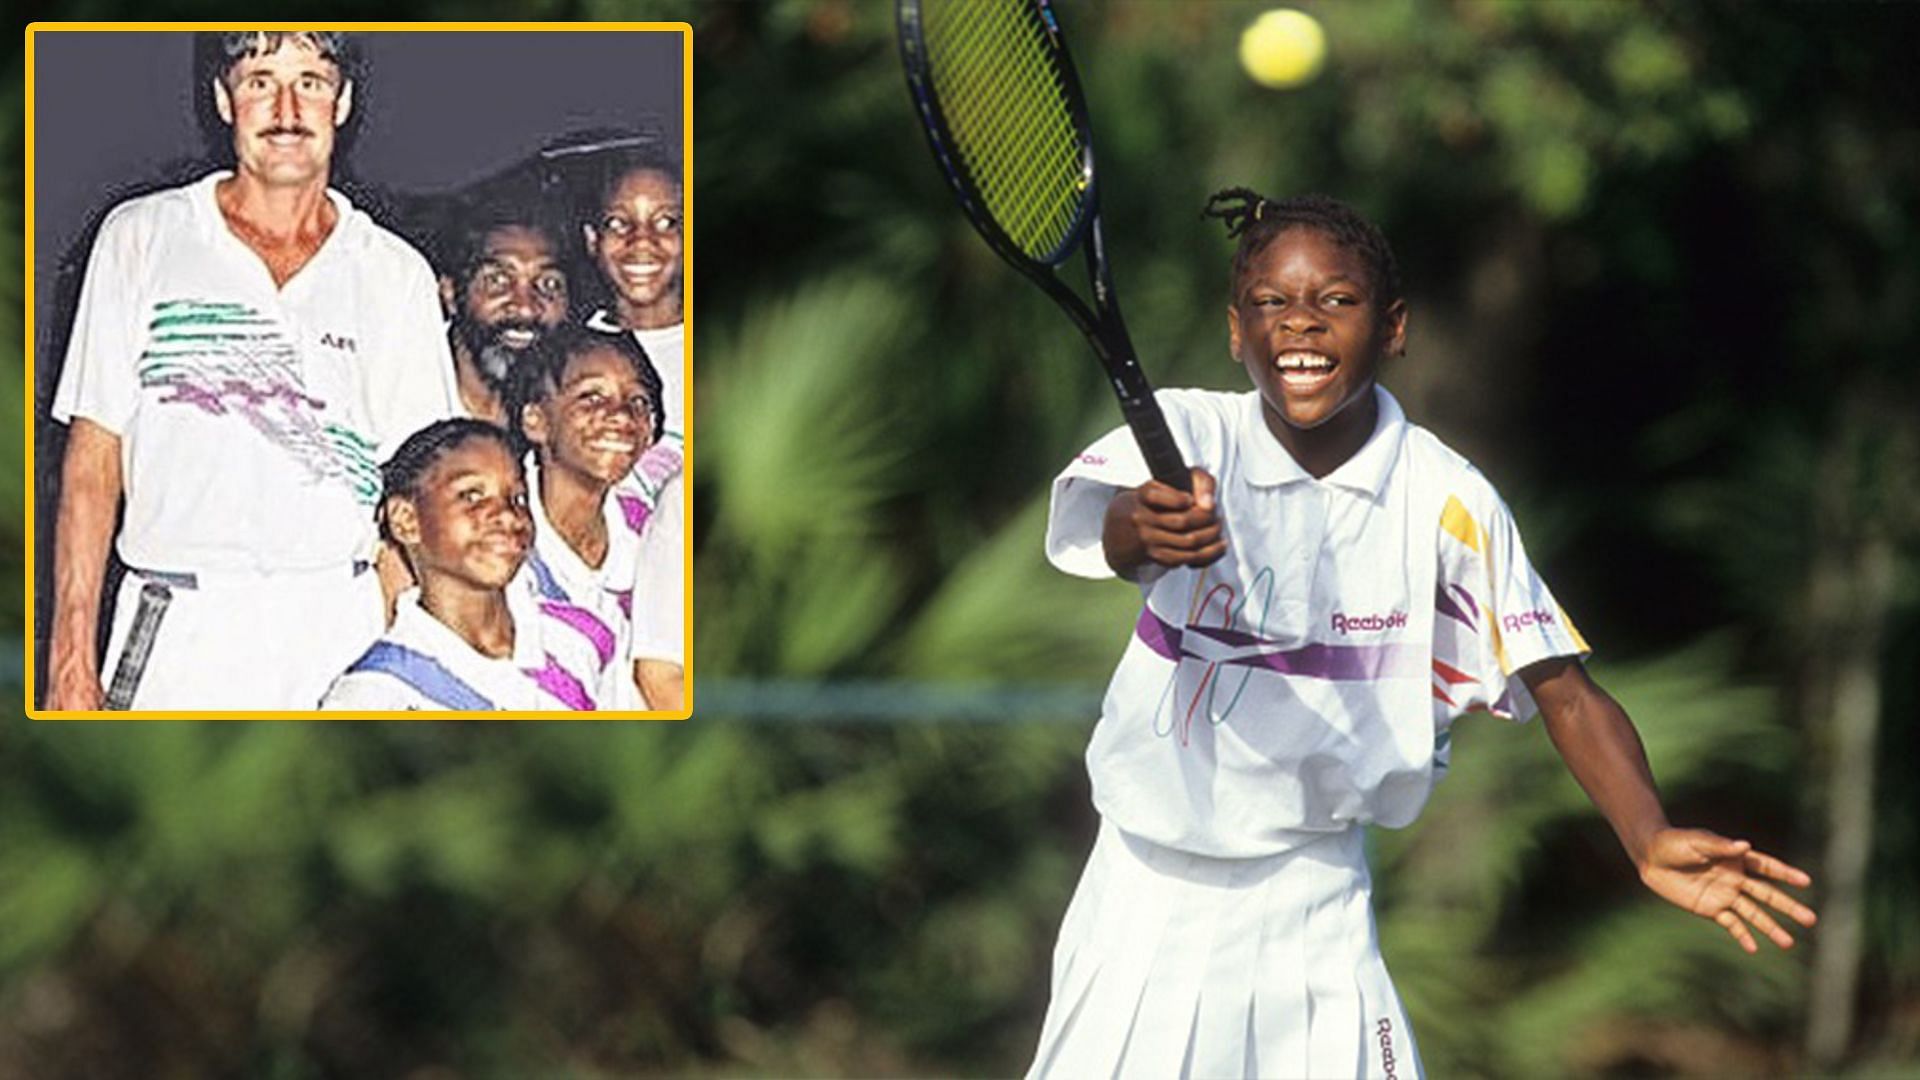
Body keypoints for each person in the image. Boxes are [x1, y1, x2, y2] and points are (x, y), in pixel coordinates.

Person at [1027, 190, 1818, 1079]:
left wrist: (1646, 834)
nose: (1301, 324)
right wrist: (1147, 529)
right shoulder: (1190, 430)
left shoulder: (1450, 501)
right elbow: (1118, 528)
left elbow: (1564, 691)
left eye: (1336, 300)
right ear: (1234, 331)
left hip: (1316, 901)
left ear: (1394, 327)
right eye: (1272, 303)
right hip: (1145, 893)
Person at [46, 31, 458, 711]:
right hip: (178, 623)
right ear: (223, 99)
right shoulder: (142, 236)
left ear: (343, 102)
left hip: (341, 627)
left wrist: (411, 670)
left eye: (312, 81)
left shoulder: (393, 273)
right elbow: (93, 466)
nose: (287, 107)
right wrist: (70, 661)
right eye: (260, 80)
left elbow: (411, 496)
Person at [320, 418, 624, 711]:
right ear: (406, 519)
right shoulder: (375, 695)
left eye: (517, 498)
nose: (507, 515)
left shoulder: (583, 637)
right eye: (472, 495)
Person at [579, 144, 688, 711]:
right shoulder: (564, 359)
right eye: (620, 224)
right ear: (593, 241)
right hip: (587, 656)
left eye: (667, 222)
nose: (642, 242)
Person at [505, 326, 666, 711]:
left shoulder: (654, 532)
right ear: (536, 420)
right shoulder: (492, 533)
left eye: (639, 402)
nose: (621, 416)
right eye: (592, 397)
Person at [437, 198, 572, 424]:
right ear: (450, 293)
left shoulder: (574, 418)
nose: (525, 308)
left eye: (548, 283)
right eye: (498, 280)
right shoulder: (394, 384)